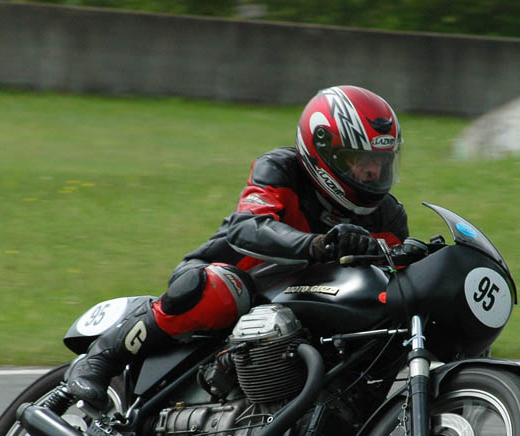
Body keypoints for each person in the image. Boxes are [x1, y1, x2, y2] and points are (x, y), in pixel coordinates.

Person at [64, 84, 409, 409]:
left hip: (305, 304)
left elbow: (397, 272)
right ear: (324, 151)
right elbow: (248, 227)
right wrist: (317, 245)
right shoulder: (282, 169)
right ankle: (102, 356)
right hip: (232, 279)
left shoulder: (387, 214)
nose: (371, 172)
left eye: (381, 162)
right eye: (359, 160)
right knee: (224, 290)